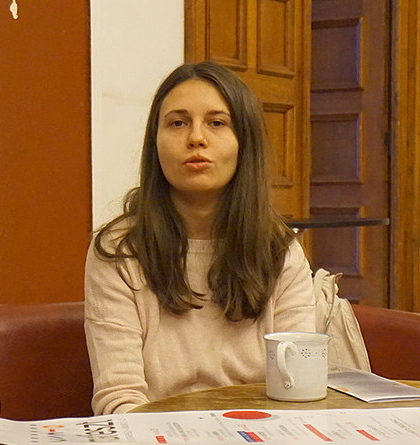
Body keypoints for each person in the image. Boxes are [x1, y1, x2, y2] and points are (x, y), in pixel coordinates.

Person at [84, 62, 315, 415]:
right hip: (154, 440)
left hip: (262, 436)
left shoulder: (279, 249)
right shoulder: (119, 250)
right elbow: (120, 398)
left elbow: (297, 388)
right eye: (177, 123)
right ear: (155, 143)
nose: (196, 138)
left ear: (244, 143)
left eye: (216, 123)